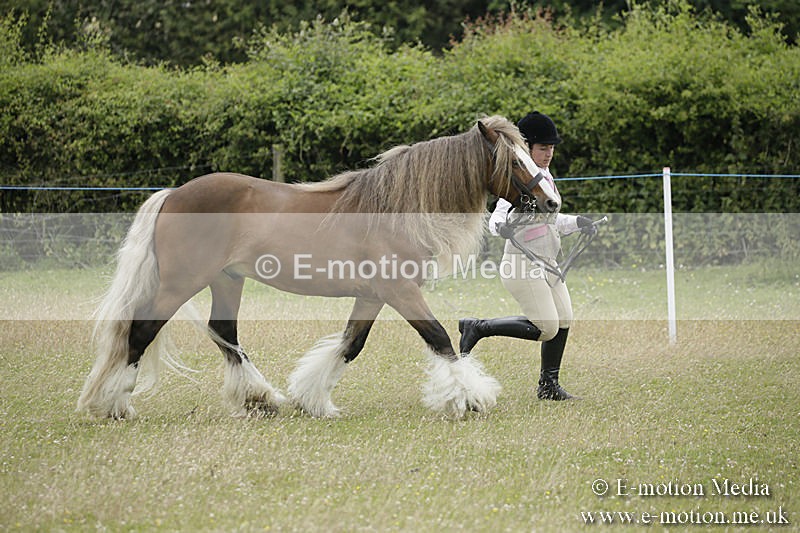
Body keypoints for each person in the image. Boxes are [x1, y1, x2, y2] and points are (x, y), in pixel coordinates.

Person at [459, 111, 596, 400]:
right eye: (543, 148)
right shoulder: (519, 180)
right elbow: (496, 219)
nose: (549, 153)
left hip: (548, 263)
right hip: (522, 265)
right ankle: (478, 327)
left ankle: (548, 386)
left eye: (551, 148)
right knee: (546, 328)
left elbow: (551, 220)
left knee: (564, 319)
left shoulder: (545, 177)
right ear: (527, 148)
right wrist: (504, 227)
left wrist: (578, 222)